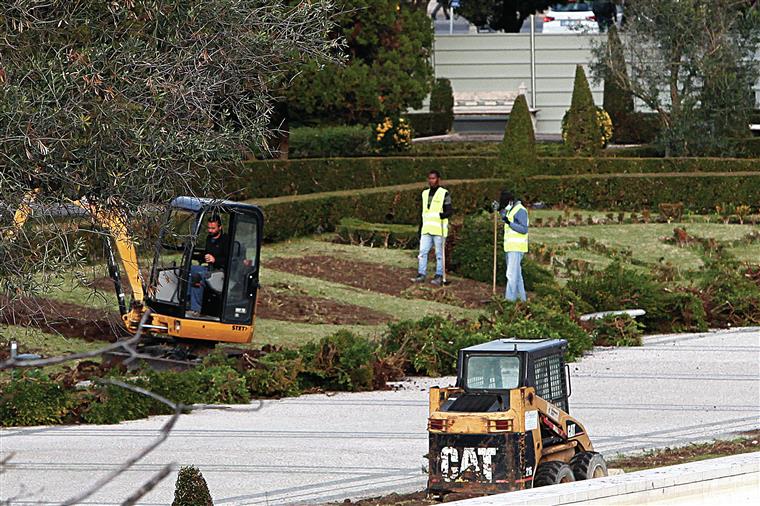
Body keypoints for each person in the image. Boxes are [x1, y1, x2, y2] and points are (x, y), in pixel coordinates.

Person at [413, 170, 453, 285]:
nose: (431, 181)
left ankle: (439, 276)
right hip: (426, 229)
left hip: (439, 230)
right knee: (422, 252)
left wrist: (443, 215)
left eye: (433, 178)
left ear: (438, 179)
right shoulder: (424, 194)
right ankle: (421, 274)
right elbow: (423, 212)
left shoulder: (444, 193)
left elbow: (449, 210)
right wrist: (420, 228)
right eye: (430, 178)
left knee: (440, 255)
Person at [188, 215, 229, 316]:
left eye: (213, 228)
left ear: (220, 227)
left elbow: (229, 259)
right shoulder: (209, 238)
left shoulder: (226, 240)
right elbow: (206, 254)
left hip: (221, 271)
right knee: (188, 269)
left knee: (198, 276)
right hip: (210, 268)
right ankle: (186, 302)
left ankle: (196, 309)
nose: (210, 230)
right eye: (209, 228)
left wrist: (215, 260)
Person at [499, 190, 528, 302]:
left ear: (510, 201)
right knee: (517, 276)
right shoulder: (511, 208)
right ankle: (522, 300)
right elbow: (503, 215)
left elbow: (523, 229)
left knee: (511, 275)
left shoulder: (520, 210)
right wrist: (498, 210)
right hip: (510, 247)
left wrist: (509, 223)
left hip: (516, 248)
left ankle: (509, 301)